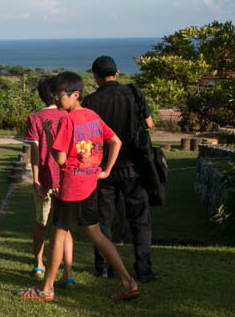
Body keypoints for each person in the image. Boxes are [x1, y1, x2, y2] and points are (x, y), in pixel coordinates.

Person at [17, 72, 139, 303]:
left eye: (60, 96)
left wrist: (53, 146)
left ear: (75, 95)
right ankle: (127, 282)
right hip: (90, 183)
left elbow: (61, 159)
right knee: (95, 233)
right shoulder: (92, 116)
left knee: (58, 234)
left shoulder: (68, 120)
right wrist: (106, 170)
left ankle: (46, 289)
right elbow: (116, 141)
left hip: (72, 185)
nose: (56, 100)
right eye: (54, 95)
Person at [82, 55, 158, 282]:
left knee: (104, 221)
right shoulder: (133, 93)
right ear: (117, 74)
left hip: (102, 169)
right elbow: (150, 123)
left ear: (95, 77)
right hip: (134, 167)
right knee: (140, 220)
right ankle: (143, 269)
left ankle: (103, 267)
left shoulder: (90, 102)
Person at [23, 76, 74, 285]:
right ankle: (68, 273)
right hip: (65, 179)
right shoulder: (68, 116)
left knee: (41, 223)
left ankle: (38, 264)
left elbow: (34, 152)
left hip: (44, 178)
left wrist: (35, 180)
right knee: (65, 227)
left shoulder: (34, 118)